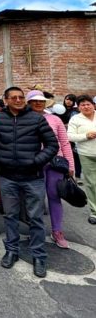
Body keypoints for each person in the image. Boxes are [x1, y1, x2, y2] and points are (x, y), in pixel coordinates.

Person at [0, 86, 58, 278]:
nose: (18, 100)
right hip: (8, 176)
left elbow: (52, 144)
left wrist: (36, 161)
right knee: (10, 216)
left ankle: (39, 256)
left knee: (35, 218)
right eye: (14, 98)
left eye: (21, 97)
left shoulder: (36, 118)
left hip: (33, 177)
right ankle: (12, 250)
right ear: (6, 100)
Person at [27, 90, 74, 248]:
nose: (38, 103)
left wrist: (70, 165)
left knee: (54, 197)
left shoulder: (55, 119)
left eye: (41, 101)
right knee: (35, 199)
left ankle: (57, 231)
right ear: (28, 103)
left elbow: (65, 142)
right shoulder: (23, 119)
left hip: (55, 163)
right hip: (34, 164)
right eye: (34, 101)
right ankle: (35, 231)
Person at [67, 95, 96, 225]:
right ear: (78, 107)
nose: (85, 106)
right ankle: (94, 211)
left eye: (88, 104)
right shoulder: (75, 119)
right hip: (86, 154)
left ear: (93, 105)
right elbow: (69, 136)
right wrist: (85, 136)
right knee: (92, 183)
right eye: (82, 105)